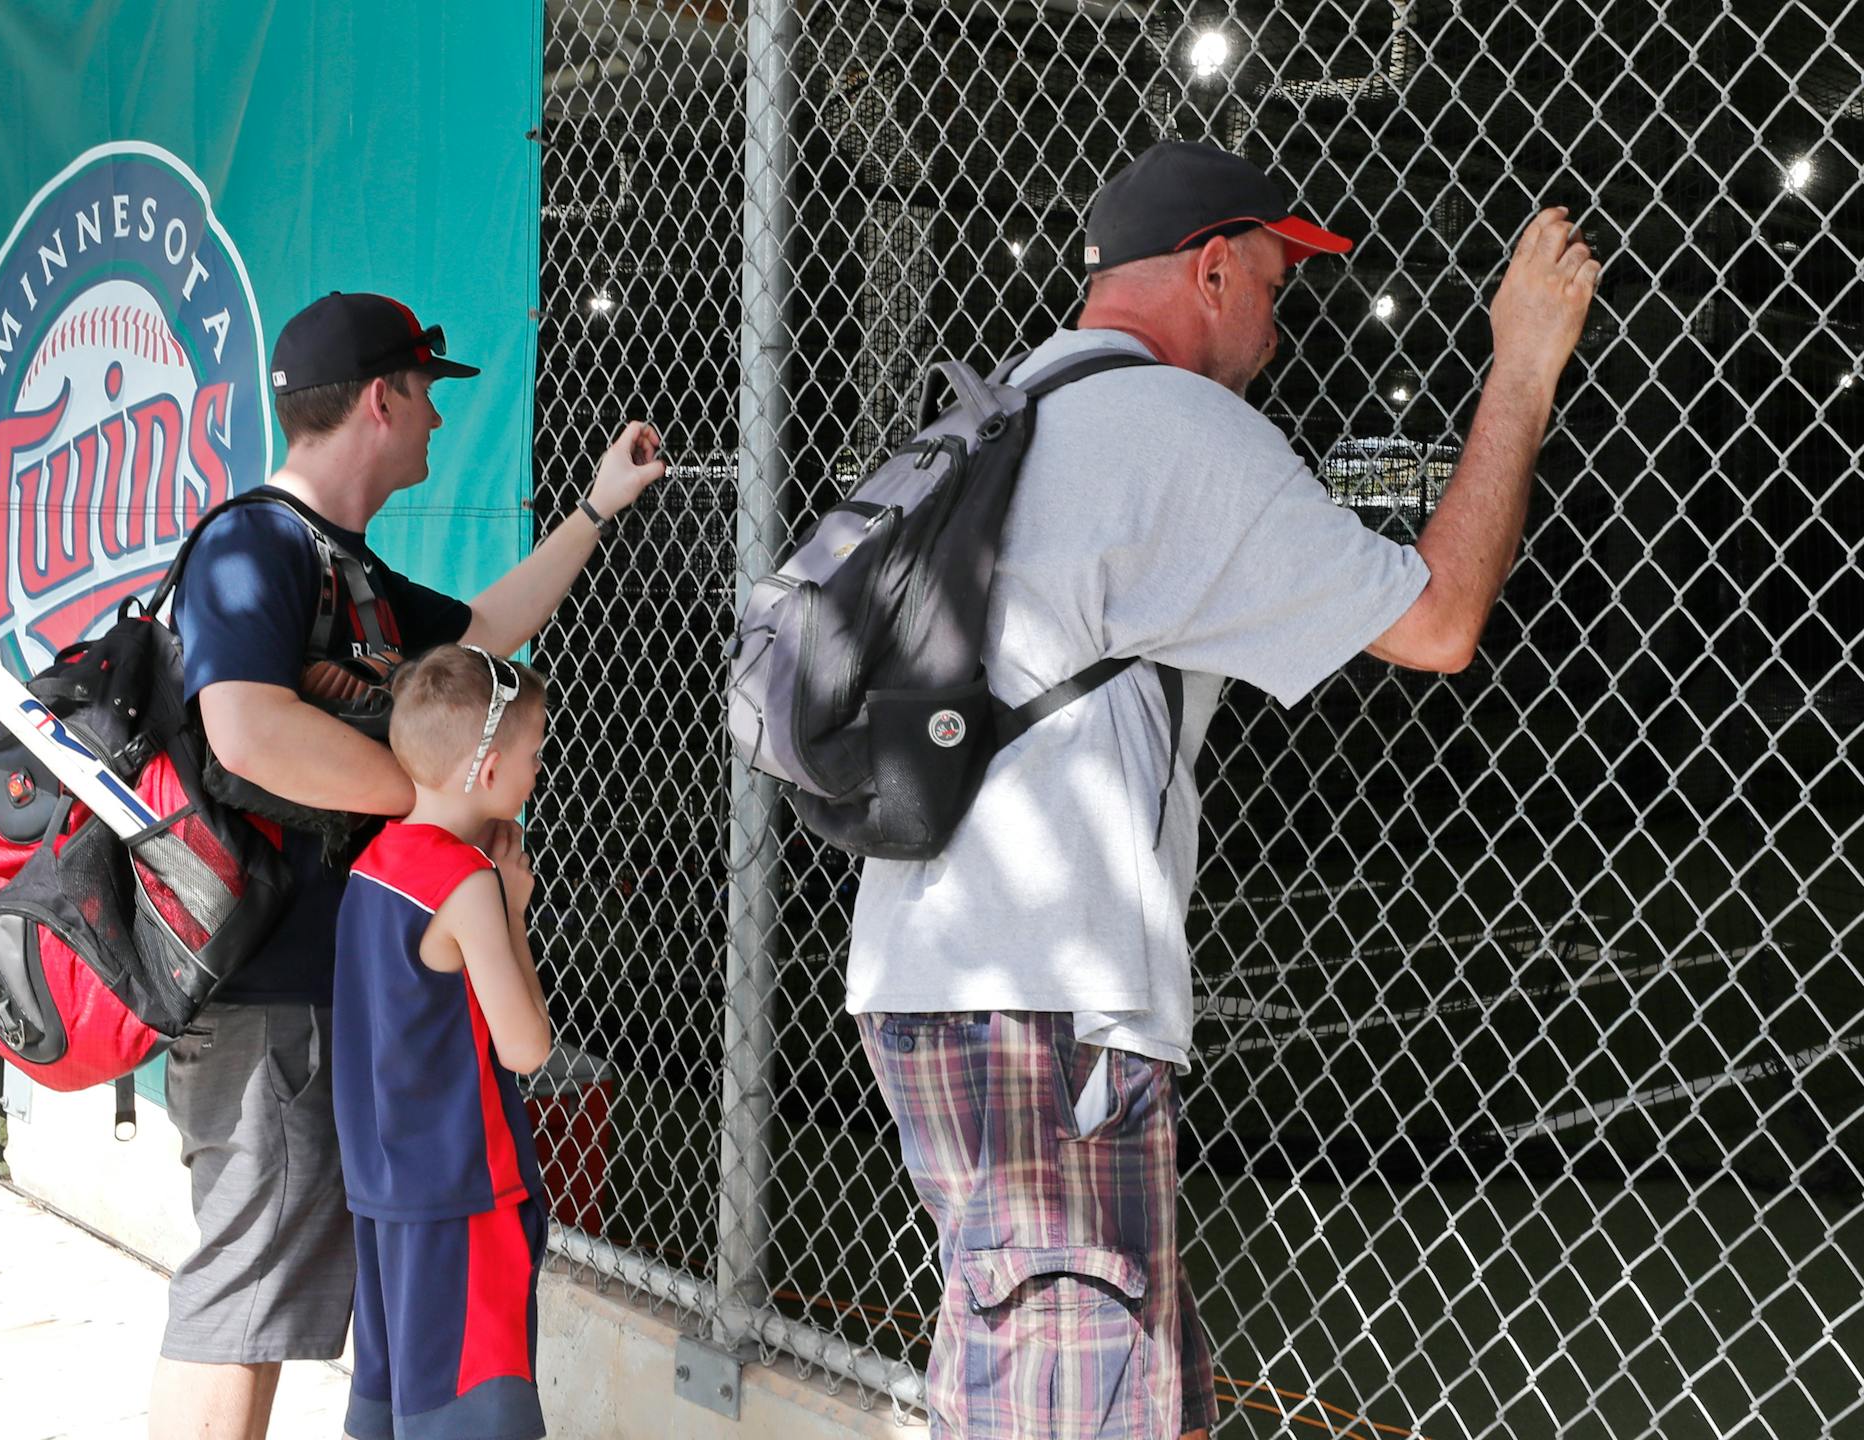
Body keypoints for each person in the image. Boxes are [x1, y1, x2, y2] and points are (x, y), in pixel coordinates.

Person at [845, 139, 1599, 1439]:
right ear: (1207, 268)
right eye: (1270, 281)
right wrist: (1522, 371)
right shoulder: (1174, 426)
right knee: (1071, 1407)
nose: (1278, 318)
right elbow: (1439, 621)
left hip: (955, 979)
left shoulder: (1013, 400)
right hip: (1043, 1005)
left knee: (1117, 1394)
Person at [150, 290, 664, 1440]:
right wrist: (429, 803)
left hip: (317, 991)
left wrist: (593, 509)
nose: (438, 420)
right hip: (261, 990)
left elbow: (481, 637)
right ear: (380, 399)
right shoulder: (258, 542)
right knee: (247, 1292)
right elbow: (244, 726)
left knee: (281, 1294)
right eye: (429, 395)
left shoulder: (352, 565)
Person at [333, 644, 553, 1440]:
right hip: (463, 1193)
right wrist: (517, 912)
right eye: (533, 756)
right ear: (489, 773)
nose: (538, 772)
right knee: (468, 1413)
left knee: (400, 1411)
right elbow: (527, 1047)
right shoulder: (466, 882)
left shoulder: (371, 862)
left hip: (385, 1192)